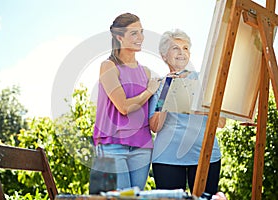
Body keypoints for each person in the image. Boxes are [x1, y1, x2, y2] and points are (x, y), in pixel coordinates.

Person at [149, 29, 226, 195]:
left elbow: (221, 123)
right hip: (167, 158)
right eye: (175, 48)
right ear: (163, 55)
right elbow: (155, 126)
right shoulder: (158, 85)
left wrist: (201, 105)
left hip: (205, 156)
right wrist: (167, 91)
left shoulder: (205, 80)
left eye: (185, 48)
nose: (181, 52)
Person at [92, 13, 160, 190]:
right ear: (119, 37)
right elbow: (123, 106)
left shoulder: (145, 72)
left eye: (141, 32)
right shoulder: (108, 66)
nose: (141, 38)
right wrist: (149, 91)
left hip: (142, 146)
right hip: (112, 145)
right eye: (134, 33)